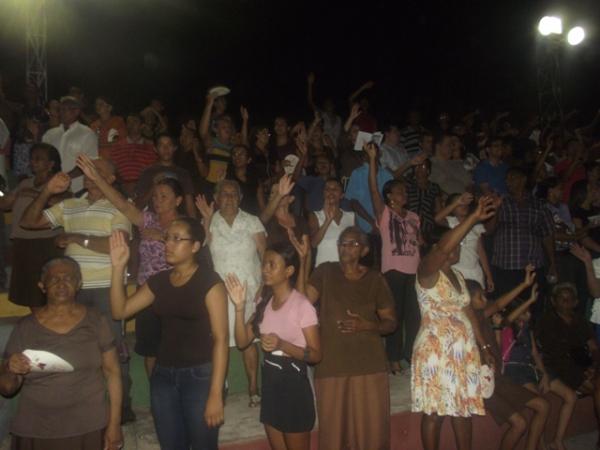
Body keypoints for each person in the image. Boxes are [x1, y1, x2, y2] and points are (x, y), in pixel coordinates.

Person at [19, 158, 134, 423]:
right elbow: (28, 222)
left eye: (99, 171)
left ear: (112, 180)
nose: (91, 175)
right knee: (72, 348)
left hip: (107, 289)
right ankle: (79, 408)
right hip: (70, 293)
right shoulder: (70, 205)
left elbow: (115, 246)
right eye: (88, 171)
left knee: (114, 351)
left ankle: (122, 411)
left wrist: (75, 238)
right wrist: (47, 190)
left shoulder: (118, 207)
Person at [109, 220, 228, 450]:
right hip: (162, 376)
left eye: (177, 238)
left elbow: (221, 340)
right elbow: (119, 311)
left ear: (195, 246)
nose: (168, 244)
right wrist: (117, 268)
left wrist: (215, 394)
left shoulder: (210, 282)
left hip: (200, 377)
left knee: (204, 444)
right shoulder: (159, 281)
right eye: (167, 238)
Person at [76, 153, 185, 377]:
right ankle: (157, 396)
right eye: (155, 196)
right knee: (151, 350)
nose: (157, 200)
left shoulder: (186, 224)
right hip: (146, 293)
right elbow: (122, 205)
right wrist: (97, 179)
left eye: (164, 196)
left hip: (175, 292)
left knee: (177, 347)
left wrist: (162, 237)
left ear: (178, 200)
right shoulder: (147, 219)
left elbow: (195, 247)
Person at [0, 256, 123, 450]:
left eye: (69, 278)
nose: (61, 283)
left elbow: (113, 373)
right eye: (54, 279)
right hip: (36, 429)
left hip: (88, 426)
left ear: (79, 284)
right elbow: (7, 389)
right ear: (42, 285)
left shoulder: (96, 321)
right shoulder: (25, 327)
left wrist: (114, 424)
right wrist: (9, 368)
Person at [412, 195, 496, 450]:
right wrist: (472, 218)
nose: (460, 246)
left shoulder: (458, 275)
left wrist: (483, 348)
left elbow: (469, 312)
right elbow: (441, 250)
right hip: (436, 352)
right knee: (435, 412)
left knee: (463, 409)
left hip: (463, 351)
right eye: (456, 241)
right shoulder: (427, 270)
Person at [302, 226, 397, 450]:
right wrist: (304, 259)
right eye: (342, 243)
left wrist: (367, 325)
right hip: (332, 364)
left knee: (371, 432)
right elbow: (302, 302)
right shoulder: (325, 272)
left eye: (353, 244)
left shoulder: (374, 279)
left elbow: (391, 323)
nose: (346, 248)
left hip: (369, 364)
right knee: (334, 434)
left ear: (364, 250)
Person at [224, 241, 320, 450]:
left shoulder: (302, 305)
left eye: (271, 264)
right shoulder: (263, 302)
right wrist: (239, 308)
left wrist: (283, 344)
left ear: (289, 271)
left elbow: (315, 355)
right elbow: (242, 342)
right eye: (264, 264)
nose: (264, 269)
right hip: (271, 387)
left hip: (294, 388)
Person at [196, 179, 266, 407]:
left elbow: (266, 256)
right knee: (220, 339)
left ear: (240, 197)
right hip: (220, 293)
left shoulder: (252, 221)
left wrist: (264, 286)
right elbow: (203, 248)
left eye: (233, 193)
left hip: (250, 291)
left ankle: (254, 389)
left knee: (249, 341)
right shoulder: (210, 221)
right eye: (224, 194)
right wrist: (206, 219)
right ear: (216, 198)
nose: (229, 197)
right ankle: (221, 387)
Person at [466, 271, 550, 450]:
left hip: (498, 379)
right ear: (467, 300)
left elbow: (504, 314)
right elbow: (497, 305)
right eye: (480, 295)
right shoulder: (466, 321)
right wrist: (523, 287)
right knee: (519, 423)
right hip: (484, 384)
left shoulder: (482, 316)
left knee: (542, 406)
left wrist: (525, 287)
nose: (485, 297)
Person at [365, 142, 421, 372]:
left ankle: (411, 354)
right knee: (394, 317)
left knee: (414, 317)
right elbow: (373, 190)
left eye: (405, 191)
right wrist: (371, 160)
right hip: (394, 271)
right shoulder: (385, 214)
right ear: (390, 197)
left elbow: (419, 243)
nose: (404, 194)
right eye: (399, 191)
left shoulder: (415, 217)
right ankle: (393, 358)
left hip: (414, 271)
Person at [0, 143, 65, 309]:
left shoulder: (58, 183)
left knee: (45, 290)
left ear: (51, 164)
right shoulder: (25, 183)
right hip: (23, 242)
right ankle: (38, 325)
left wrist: (35, 194)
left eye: (39, 159)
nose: (33, 162)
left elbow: (62, 203)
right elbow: (5, 204)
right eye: (32, 158)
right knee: (29, 292)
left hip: (45, 243)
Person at [536, 283, 600, 450]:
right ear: (553, 301)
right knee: (596, 387)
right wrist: (584, 370)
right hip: (560, 366)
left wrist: (593, 365)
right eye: (562, 299)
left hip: (583, 363)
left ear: (576, 302)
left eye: (570, 299)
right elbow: (555, 354)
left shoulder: (580, 320)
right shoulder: (547, 320)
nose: (566, 302)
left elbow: (593, 347)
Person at [434, 192, 494, 290]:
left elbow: (481, 252)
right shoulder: (451, 222)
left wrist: (489, 277)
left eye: (465, 203)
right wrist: (457, 202)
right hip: (455, 270)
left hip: (475, 271)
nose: (463, 206)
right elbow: (437, 219)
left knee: (477, 302)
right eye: (460, 204)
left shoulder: (476, 225)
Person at [41, 96, 98, 193]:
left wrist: (64, 178)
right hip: (52, 188)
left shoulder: (87, 134)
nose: (61, 113)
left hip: (77, 188)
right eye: (60, 109)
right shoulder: (50, 134)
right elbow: (43, 160)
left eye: (64, 109)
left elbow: (89, 163)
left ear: (76, 112)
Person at [135, 133, 196, 217]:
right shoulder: (147, 172)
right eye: (161, 145)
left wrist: (194, 225)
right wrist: (153, 186)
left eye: (169, 145)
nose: (165, 148)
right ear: (155, 149)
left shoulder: (183, 173)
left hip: (177, 221)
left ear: (174, 148)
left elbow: (190, 204)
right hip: (153, 220)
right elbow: (138, 205)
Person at [108, 112, 157, 198]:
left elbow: (153, 170)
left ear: (142, 125)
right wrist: (124, 184)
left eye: (135, 121)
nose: (131, 125)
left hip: (143, 188)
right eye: (128, 122)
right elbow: (112, 170)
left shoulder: (150, 147)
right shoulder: (117, 146)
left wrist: (138, 183)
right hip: (122, 188)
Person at [308, 178, 355, 267]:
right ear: (323, 194)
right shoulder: (315, 215)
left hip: (346, 269)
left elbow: (356, 244)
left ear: (342, 195)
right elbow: (313, 243)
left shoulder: (351, 216)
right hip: (324, 271)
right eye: (327, 189)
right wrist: (327, 221)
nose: (331, 192)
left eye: (335, 189)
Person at [406, 158, 443, 243]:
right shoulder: (408, 183)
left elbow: (439, 209)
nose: (419, 168)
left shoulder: (434, 187)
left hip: (428, 225)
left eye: (423, 166)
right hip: (409, 224)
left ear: (428, 171)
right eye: (417, 166)